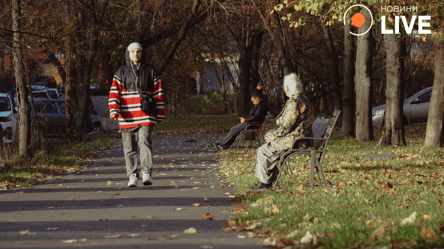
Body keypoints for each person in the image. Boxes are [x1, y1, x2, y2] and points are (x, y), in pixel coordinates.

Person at [108, 42, 165, 187]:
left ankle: (146, 172)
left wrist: (160, 113)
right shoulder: (121, 72)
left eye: (138, 51)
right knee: (129, 147)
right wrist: (114, 109)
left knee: (145, 141)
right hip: (127, 116)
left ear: (142, 53)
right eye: (132, 51)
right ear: (128, 54)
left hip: (146, 113)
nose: (135, 54)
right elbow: (114, 92)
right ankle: (132, 176)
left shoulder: (151, 70)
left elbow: (158, 93)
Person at [253, 73, 314, 190]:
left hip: (296, 140)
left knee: (263, 150)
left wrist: (274, 136)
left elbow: (287, 125)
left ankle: (265, 184)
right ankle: (269, 181)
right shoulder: (305, 99)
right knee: (269, 144)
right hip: (303, 137)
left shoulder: (294, 101)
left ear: (287, 88)